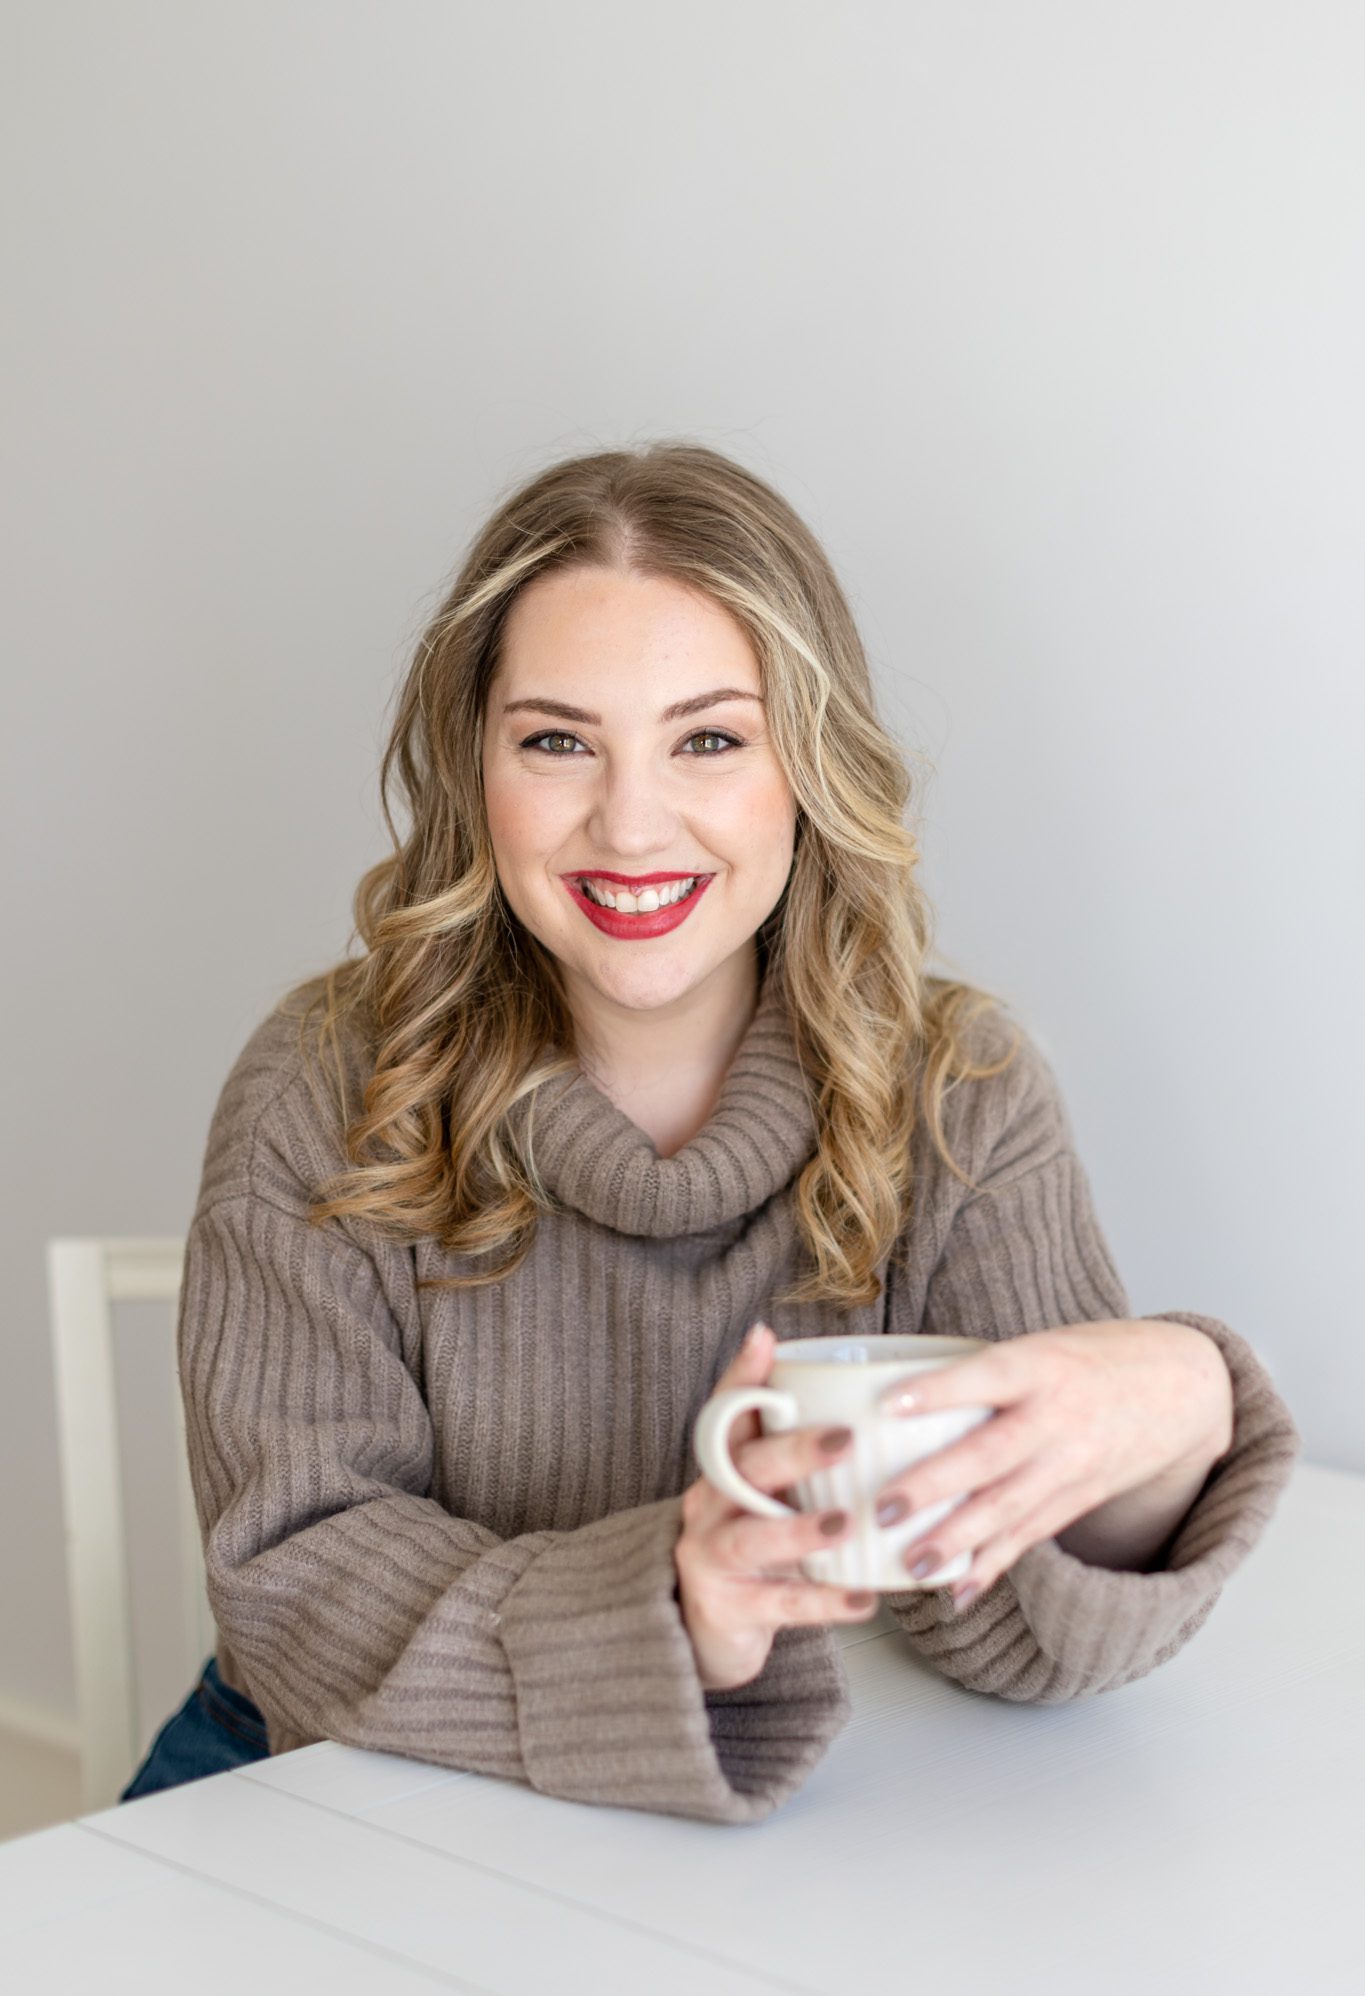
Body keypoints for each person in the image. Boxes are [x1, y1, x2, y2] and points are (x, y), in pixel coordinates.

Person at [121, 441, 1301, 1819]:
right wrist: (669, 1605)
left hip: (748, 1837)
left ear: (802, 768)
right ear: (473, 768)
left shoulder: (955, 1088)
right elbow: (293, 1590)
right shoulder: (325, 1083)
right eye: (556, 741)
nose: (629, 825)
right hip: (321, 1788)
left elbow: (1017, 1633)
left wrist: (1176, 1414)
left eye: (709, 739)